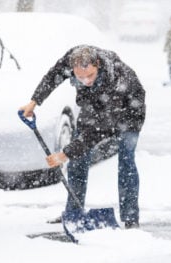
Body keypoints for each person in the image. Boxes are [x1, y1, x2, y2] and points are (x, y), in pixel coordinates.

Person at [19, 45, 146, 229]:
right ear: (73, 69)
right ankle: (74, 212)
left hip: (129, 112)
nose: (85, 81)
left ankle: (131, 218)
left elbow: (95, 132)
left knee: (126, 160)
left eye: (90, 76)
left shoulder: (115, 81)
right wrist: (34, 102)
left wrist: (64, 154)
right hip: (96, 107)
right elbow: (52, 77)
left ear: (98, 65)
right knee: (78, 159)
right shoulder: (72, 59)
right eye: (80, 77)